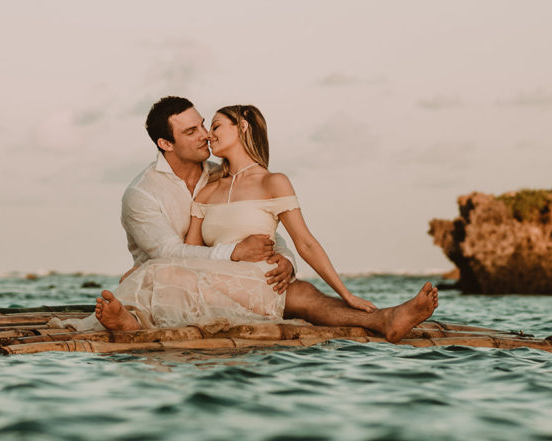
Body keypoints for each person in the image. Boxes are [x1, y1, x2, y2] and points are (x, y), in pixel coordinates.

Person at [90, 98, 438, 343]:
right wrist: (234, 253)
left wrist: (287, 260)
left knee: (299, 292)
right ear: (166, 143)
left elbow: (288, 236)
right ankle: (131, 320)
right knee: (161, 272)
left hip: (248, 277)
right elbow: (174, 251)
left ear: (241, 128)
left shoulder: (232, 178)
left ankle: (385, 318)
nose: (206, 136)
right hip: (186, 276)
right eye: (194, 131)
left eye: (208, 126)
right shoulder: (147, 193)